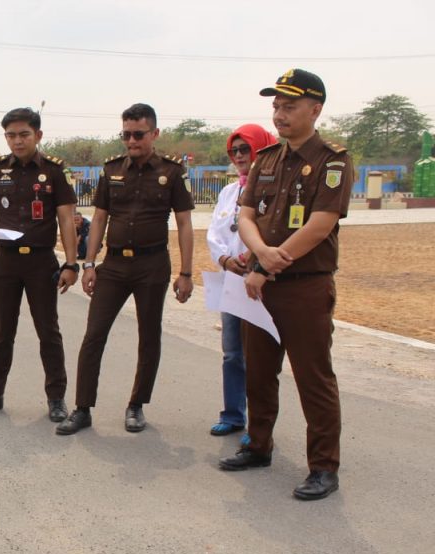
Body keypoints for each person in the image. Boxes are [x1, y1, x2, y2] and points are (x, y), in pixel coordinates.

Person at [219, 69, 353, 501]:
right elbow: (245, 215)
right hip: (261, 283)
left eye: (289, 106)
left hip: (303, 286)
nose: (279, 114)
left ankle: (323, 467)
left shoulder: (333, 160)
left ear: (315, 109)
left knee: (313, 377)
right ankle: (259, 446)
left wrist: (275, 259)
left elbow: (322, 222)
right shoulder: (266, 159)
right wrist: (261, 251)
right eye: (276, 106)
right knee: (258, 371)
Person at [56, 103, 195, 436]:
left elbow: (185, 223)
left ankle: (136, 405)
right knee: (94, 335)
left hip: (152, 265)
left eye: (138, 134)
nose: (131, 141)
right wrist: (89, 264)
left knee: (149, 336)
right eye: (126, 134)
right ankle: (82, 407)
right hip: (115, 265)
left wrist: (187, 273)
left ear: (154, 134)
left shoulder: (172, 172)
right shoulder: (112, 170)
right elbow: (100, 218)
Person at [0, 107, 79, 423]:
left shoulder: (54, 171)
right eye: (11, 135)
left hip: (41, 262)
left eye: (24, 135)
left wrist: (71, 264)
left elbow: (66, 220)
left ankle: (56, 398)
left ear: (38, 135)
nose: (17, 141)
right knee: (3, 332)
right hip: (5, 262)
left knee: (48, 331)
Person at [205, 124, 277, 438]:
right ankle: (233, 415)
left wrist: (253, 259)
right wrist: (224, 259)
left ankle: (259, 426)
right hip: (230, 282)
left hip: (260, 281)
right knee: (232, 352)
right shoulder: (228, 192)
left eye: (244, 149)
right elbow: (215, 233)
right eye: (233, 151)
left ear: (260, 149)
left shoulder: (273, 188)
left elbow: (274, 231)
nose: (238, 156)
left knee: (258, 356)